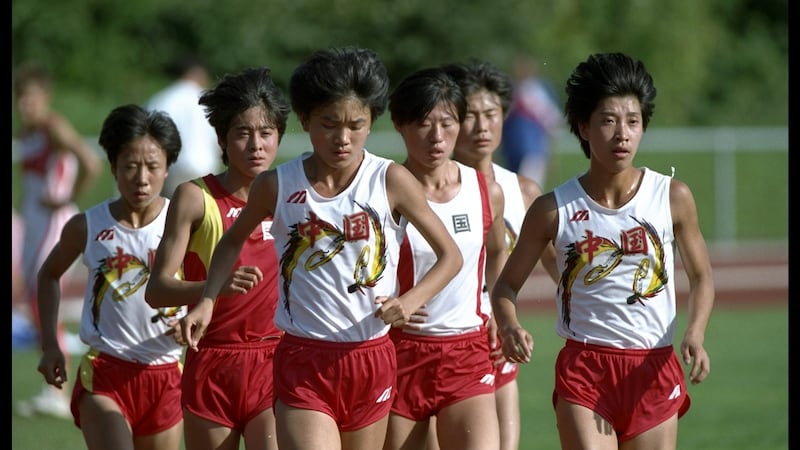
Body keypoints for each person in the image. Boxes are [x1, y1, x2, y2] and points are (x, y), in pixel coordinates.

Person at [178, 46, 463, 450]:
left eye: (356, 125)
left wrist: (411, 300)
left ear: (371, 123)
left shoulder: (391, 180)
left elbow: (450, 255)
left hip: (369, 356)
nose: (343, 138)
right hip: (302, 359)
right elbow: (231, 241)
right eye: (329, 124)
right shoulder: (276, 185)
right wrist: (208, 299)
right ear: (305, 120)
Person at [490, 52, 715, 449]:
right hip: (585, 370)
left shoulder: (672, 197)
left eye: (633, 121)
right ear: (583, 126)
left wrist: (695, 333)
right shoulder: (553, 209)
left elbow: (701, 277)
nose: (622, 134)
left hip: (653, 367)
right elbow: (505, 286)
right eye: (608, 121)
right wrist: (509, 326)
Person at [145, 66, 290, 450]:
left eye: (266, 133)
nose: (256, 145)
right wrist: (213, 288)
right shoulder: (196, 198)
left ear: (279, 135)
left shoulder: (294, 197)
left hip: (275, 360)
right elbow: (157, 291)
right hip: (212, 361)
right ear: (222, 138)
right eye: (242, 133)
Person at [34, 104, 186, 450]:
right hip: (105, 374)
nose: (142, 178)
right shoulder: (87, 226)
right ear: (113, 166)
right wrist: (50, 344)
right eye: (130, 166)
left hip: (164, 373)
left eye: (152, 167)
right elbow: (48, 275)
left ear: (167, 168)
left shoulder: (185, 224)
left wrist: (196, 319)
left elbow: (213, 285)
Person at [383, 66, 504, 450]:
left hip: (467, 352)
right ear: (400, 125)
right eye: (423, 124)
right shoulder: (381, 192)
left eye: (448, 123)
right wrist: (393, 302)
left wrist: (500, 310)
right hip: (400, 352)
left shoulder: (485, 190)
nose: (437, 136)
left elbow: (497, 251)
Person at [443, 59, 560, 450]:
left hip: (498, 342)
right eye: (470, 115)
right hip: (441, 342)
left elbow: (560, 268)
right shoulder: (426, 190)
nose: (482, 126)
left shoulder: (523, 192)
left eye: (491, 114)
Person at [14, 61, 103, 419]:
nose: (24, 104)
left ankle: (58, 391)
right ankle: (53, 387)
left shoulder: (53, 126)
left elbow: (90, 161)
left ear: (46, 97)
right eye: (20, 97)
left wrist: (66, 198)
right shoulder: (27, 132)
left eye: (31, 97)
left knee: (43, 300)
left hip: (54, 222)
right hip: (34, 225)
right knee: (37, 306)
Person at [146, 55, 221, 198]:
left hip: (172, 173)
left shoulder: (161, 99)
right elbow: (218, 142)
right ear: (197, 73)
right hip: (206, 175)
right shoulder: (208, 102)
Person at [500, 56, 563, 188]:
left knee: (528, 189)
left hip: (532, 151)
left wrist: (551, 154)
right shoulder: (510, 91)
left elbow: (551, 123)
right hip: (511, 150)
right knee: (510, 189)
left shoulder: (536, 93)